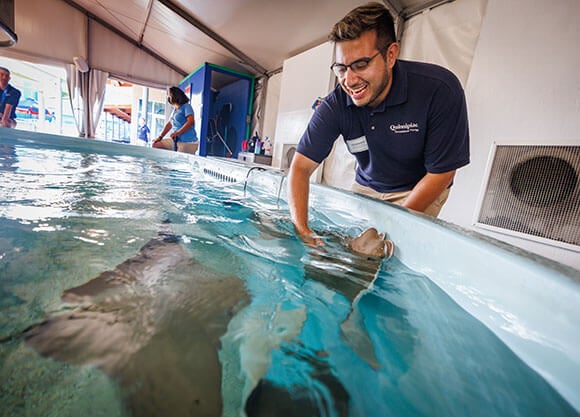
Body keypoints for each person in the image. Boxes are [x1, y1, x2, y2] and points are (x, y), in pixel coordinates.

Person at [288, 2, 470, 242]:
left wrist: (395, 225)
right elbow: (300, 168)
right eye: (341, 68)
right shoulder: (336, 105)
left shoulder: (440, 89)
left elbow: (442, 173)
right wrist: (303, 230)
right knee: (355, 248)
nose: (349, 80)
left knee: (392, 249)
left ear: (391, 54)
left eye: (361, 65)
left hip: (420, 186)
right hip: (367, 186)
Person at [153, 86, 198, 154]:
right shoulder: (175, 110)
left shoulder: (186, 106)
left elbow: (191, 121)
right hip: (176, 141)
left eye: (169, 96)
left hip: (188, 142)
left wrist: (178, 133)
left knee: (178, 161)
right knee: (156, 145)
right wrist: (160, 137)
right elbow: (169, 124)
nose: (168, 98)